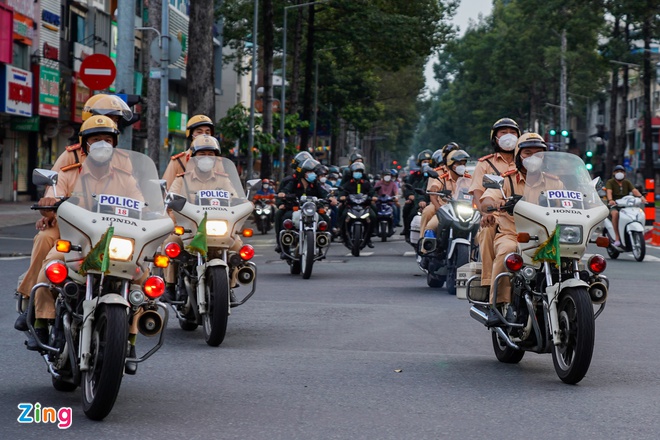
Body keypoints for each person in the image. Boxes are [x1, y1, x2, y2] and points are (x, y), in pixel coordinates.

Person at [29, 116, 147, 374]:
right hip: (75, 241)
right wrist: (48, 205)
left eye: (107, 140)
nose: (102, 144)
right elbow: (51, 200)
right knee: (50, 267)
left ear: (114, 144)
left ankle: (130, 340)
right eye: (96, 139)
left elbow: (142, 205)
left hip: (114, 243)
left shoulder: (125, 178)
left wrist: (154, 214)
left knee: (142, 277)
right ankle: (41, 323)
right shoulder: (69, 174)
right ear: (84, 144)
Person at [14, 98, 133, 333]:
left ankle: (134, 324)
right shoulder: (70, 158)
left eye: (114, 120)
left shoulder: (123, 162)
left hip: (110, 228)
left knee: (141, 265)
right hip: (70, 226)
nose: (110, 123)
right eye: (96, 138)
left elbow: (135, 197)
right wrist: (49, 208)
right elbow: (54, 188)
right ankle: (34, 305)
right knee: (45, 240)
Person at [479, 132, 562, 324]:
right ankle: (497, 304)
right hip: (513, 234)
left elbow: (569, 203)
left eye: (538, 153)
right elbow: (487, 199)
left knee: (571, 256)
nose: (533, 157)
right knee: (507, 252)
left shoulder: (555, 182)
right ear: (518, 155)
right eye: (528, 153)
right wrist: (493, 206)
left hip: (546, 236)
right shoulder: (506, 180)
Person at [165, 136, 245, 300]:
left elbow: (236, 200)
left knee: (237, 245)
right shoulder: (182, 179)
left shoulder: (224, 180)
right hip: (189, 231)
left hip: (219, 229)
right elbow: (170, 203)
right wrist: (175, 222)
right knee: (170, 243)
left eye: (210, 154)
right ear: (193, 158)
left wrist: (242, 205)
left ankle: (229, 286)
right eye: (202, 154)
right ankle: (170, 286)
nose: (206, 158)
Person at [468, 117, 520, 294]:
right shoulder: (485, 163)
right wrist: (486, 212)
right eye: (503, 132)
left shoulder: (525, 161)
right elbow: (478, 192)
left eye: (512, 133)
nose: (508, 136)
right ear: (495, 138)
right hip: (497, 213)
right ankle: (490, 281)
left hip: (526, 214)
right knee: (488, 229)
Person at [274, 159, 335, 252]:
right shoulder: (293, 182)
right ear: (303, 173)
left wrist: (330, 198)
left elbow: (324, 193)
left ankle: (320, 243)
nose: (313, 174)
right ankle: (283, 245)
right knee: (282, 217)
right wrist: (282, 194)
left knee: (325, 219)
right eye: (310, 172)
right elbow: (285, 191)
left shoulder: (315, 184)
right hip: (295, 209)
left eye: (313, 172)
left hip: (312, 210)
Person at [420, 149, 471, 237]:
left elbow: (477, 192)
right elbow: (433, 192)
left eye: (464, 164)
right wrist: (439, 209)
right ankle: (423, 243)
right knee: (430, 226)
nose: (462, 166)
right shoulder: (442, 177)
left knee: (479, 232)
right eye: (459, 164)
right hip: (445, 210)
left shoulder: (469, 178)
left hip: (465, 211)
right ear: (450, 164)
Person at [162, 114, 215, 189]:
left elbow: (225, 186)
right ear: (190, 134)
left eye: (207, 132)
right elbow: (167, 188)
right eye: (199, 132)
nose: (204, 135)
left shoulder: (217, 160)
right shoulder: (178, 160)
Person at [337, 162, 377, 248]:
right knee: (342, 215)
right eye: (356, 171)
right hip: (350, 206)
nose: (358, 173)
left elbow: (372, 192)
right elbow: (342, 192)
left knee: (373, 216)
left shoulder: (366, 183)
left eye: (359, 171)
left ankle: (369, 237)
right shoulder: (348, 183)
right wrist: (341, 197)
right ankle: (343, 235)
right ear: (352, 173)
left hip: (364, 206)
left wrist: (374, 197)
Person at [605, 165, 643, 247]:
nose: (619, 173)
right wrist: (611, 200)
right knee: (615, 214)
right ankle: (617, 237)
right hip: (614, 206)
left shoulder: (627, 182)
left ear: (625, 173)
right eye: (617, 171)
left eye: (621, 171)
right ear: (614, 173)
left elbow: (634, 190)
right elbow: (609, 192)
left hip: (626, 206)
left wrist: (641, 197)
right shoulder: (610, 182)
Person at [401, 150, 432, 241]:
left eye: (428, 162)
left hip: (431, 200)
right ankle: (407, 231)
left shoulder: (435, 175)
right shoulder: (415, 175)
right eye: (424, 162)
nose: (426, 164)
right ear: (420, 163)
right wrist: (410, 195)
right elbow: (408, 187)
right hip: (416, 200)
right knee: (408, 210)